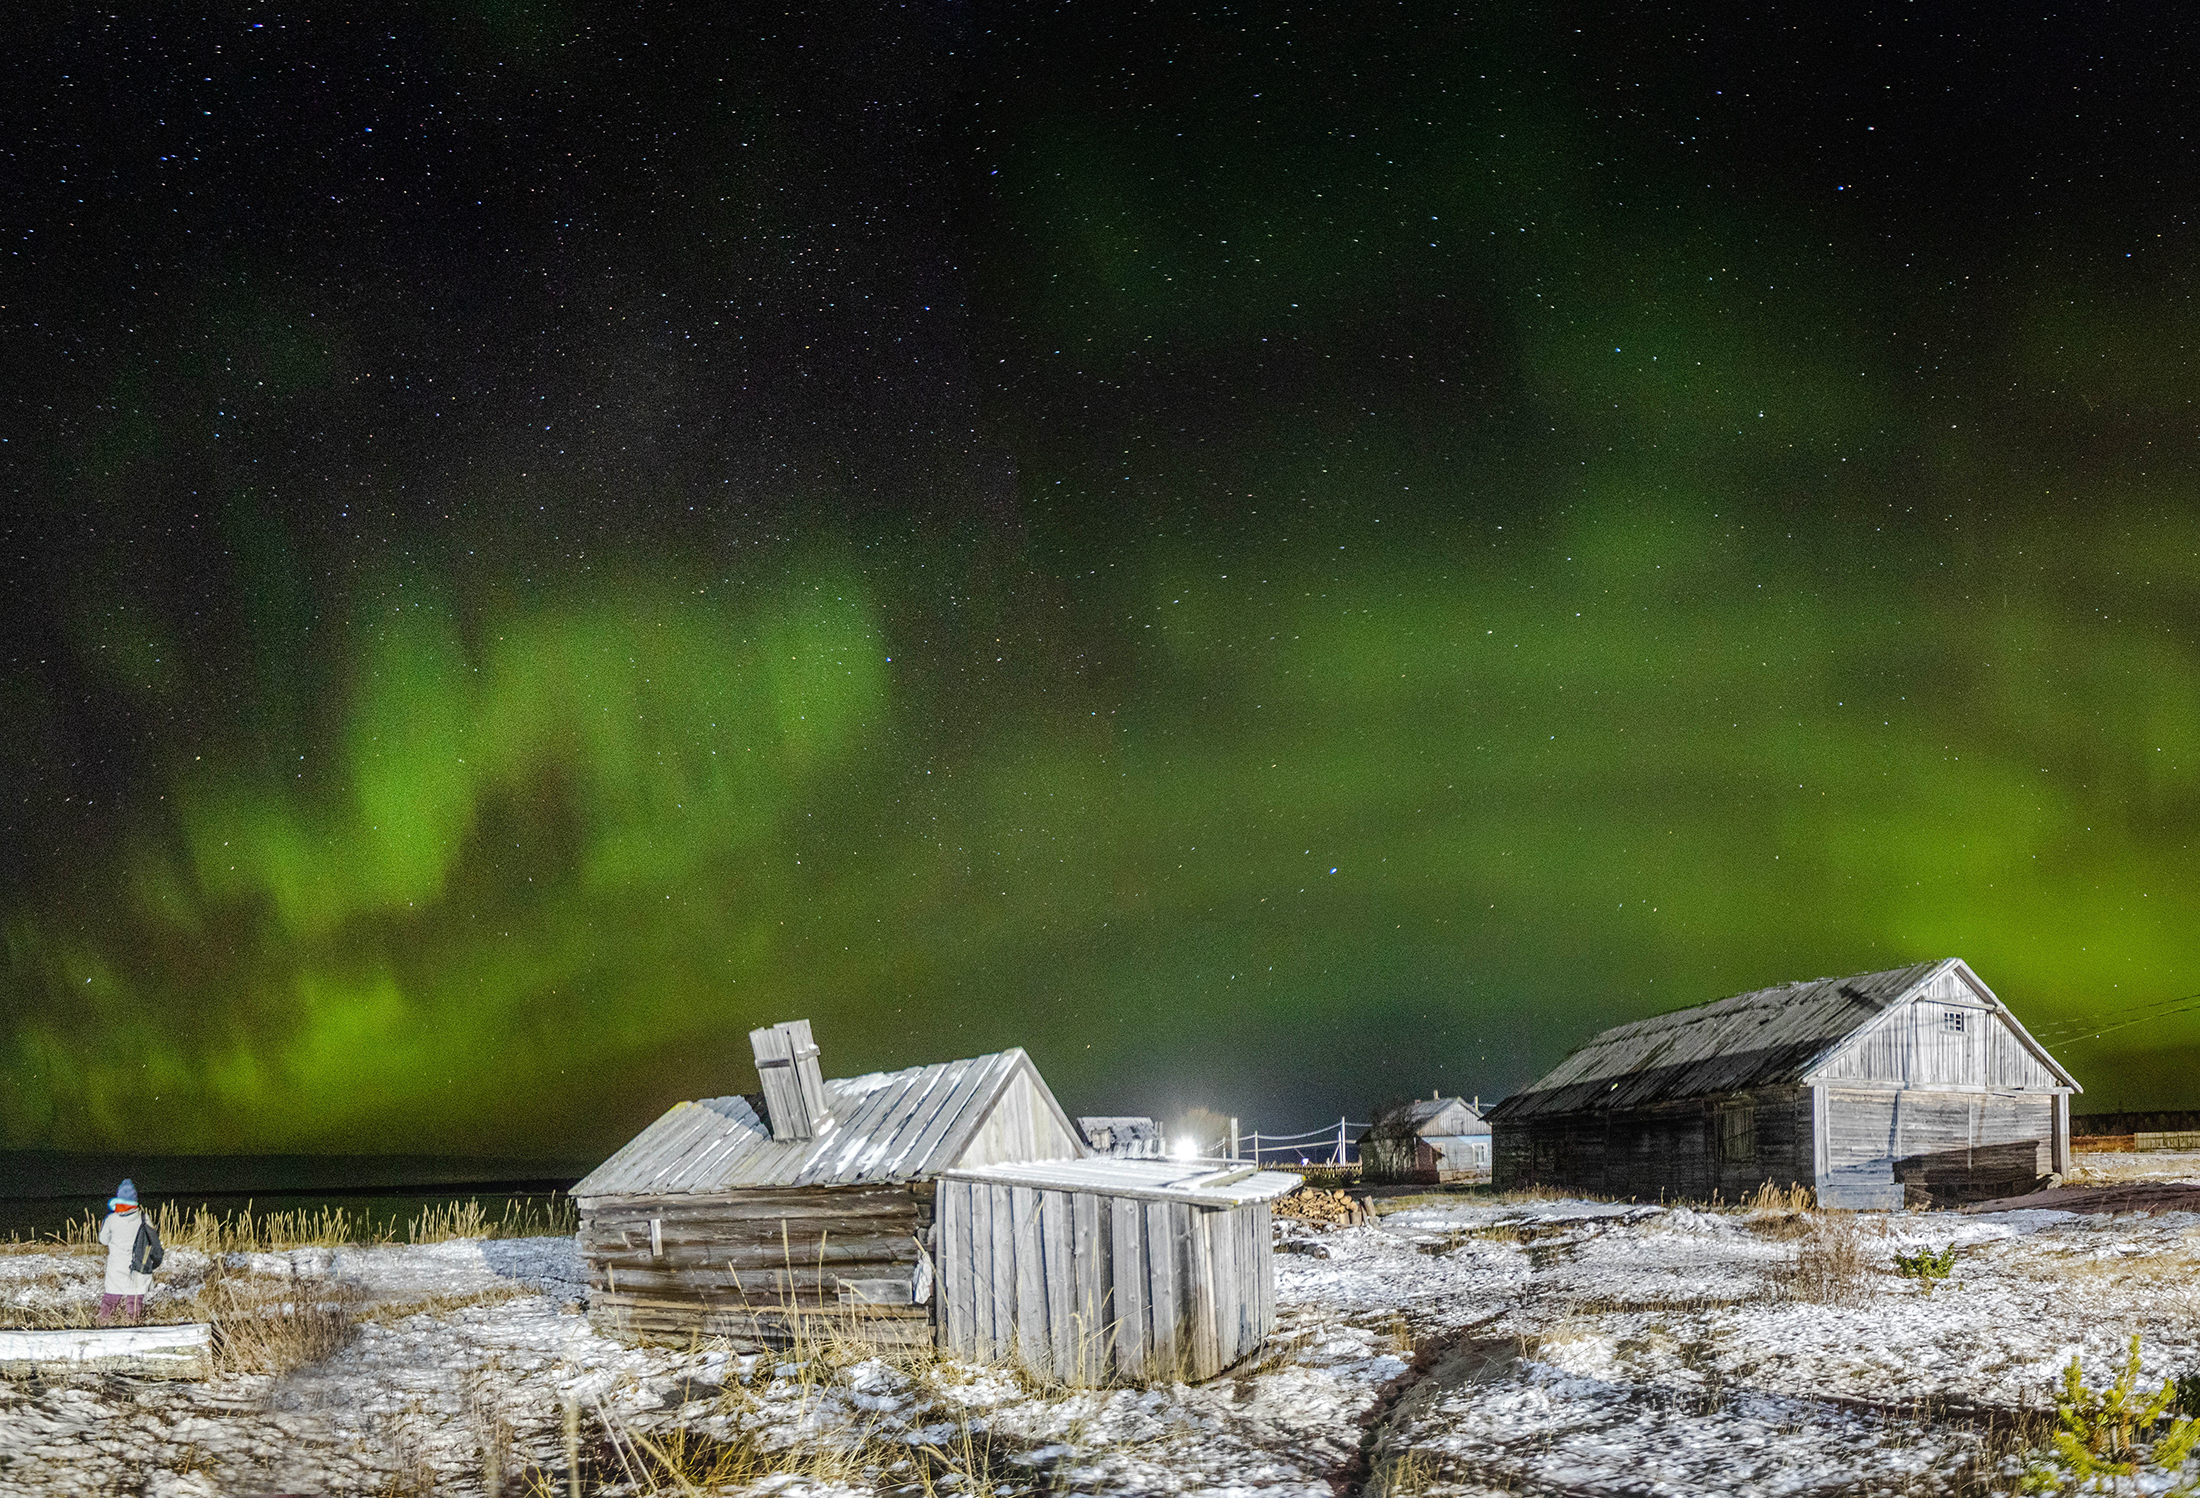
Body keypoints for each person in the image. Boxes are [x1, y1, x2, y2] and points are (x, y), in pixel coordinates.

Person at [96, 1178, 156, 1324]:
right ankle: (133, 1325)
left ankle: (101, 1324)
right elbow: (152, 1239)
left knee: (110, 1300)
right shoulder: (144, 1218)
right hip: (139, 1265)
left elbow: (103, 1240)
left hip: (117, 1265)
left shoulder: (111, 1219)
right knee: (135, 1301)